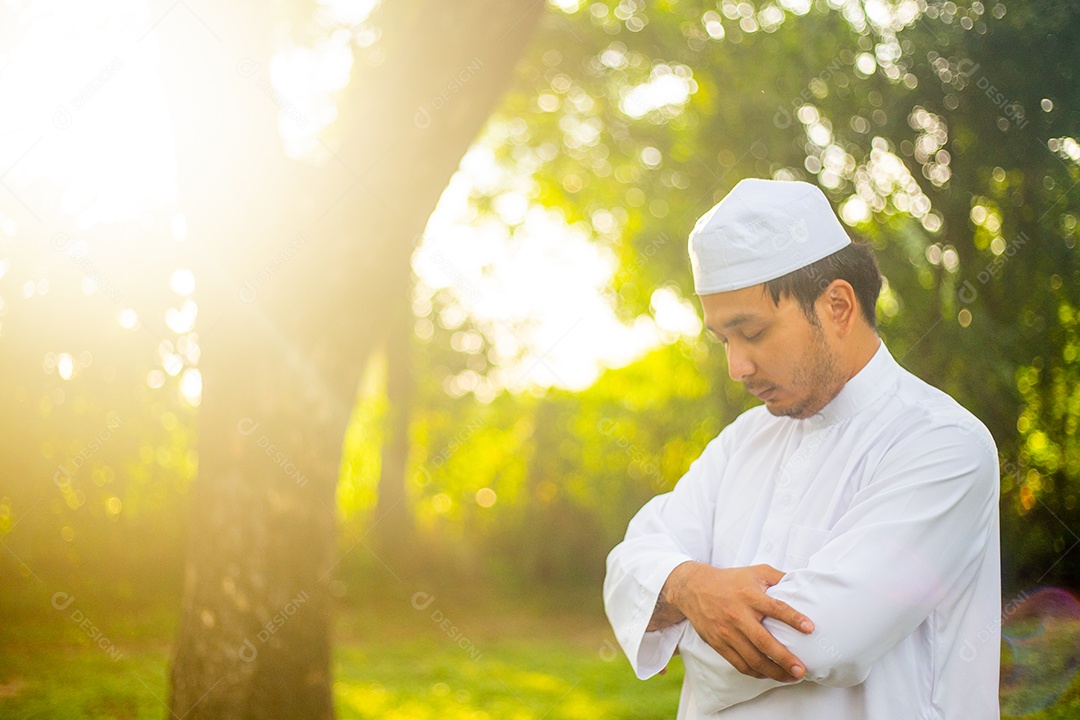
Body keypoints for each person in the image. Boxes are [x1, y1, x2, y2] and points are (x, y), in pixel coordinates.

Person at [603, 178, 1001, 719]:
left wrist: (679, 621)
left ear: (837, 305)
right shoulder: (743, 439)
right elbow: (628, 566)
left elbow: (820, 639)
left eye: (752, 332)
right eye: (724, 339)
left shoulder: (942, 444)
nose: (736, 367)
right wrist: (690, 584)